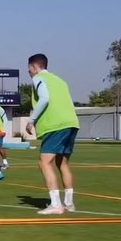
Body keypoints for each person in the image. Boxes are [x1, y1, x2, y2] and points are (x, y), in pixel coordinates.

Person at [25, 53, 80, 215]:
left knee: (44, 163)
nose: (29, 72)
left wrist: (32, 120)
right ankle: (69, 203)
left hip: (55, 125)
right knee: (62, 163)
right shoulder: (60, 81)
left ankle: (56, 205)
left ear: (35, 67)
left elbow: (44, 99)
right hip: (71, 123)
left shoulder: (38, 78)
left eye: (29, 68)